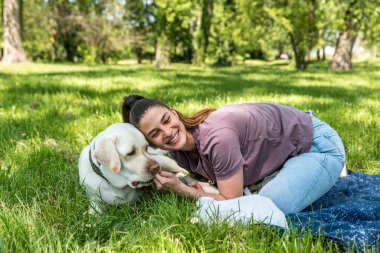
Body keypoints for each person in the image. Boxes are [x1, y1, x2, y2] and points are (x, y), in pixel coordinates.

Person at [121, 95, 346, 214]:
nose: (168, 132)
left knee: (265, 209)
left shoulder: (218, 137)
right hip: (287, 152)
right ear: (150, 143)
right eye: (156, 133)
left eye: (166, 120)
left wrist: (182, 190)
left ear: (174, 113)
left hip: (316, 145)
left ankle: (328, 168)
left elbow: (232, 202)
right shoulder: (180, 153)